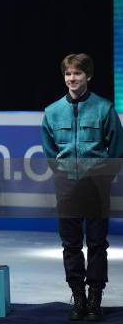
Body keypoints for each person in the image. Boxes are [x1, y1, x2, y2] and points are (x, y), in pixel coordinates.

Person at [41, 53, 123, 322]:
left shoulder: (104, 108)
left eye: (77, 73)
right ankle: (78, 296)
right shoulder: (52, 111)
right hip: (66, 184)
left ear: (88, 76)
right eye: (68, 74)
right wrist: (63, 174)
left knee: (98, 242)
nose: (72, 78)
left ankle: (95, 296)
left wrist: (103, 176)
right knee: (71, 243)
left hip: (96, 183)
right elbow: (50, 150)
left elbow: (117, 147)